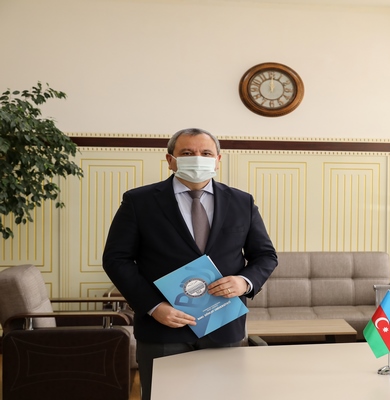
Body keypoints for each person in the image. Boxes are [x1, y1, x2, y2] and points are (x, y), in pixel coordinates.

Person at [103, 128, 278, 399]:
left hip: (223, 325)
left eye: (206, 153)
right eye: (187, 153)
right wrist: (153, 306)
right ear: (170, 160)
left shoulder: (242, 201)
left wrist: (244, 282)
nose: (198, 158)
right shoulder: (139, 201)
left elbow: (265, 255)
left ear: (218, 160)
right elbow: (116, 259)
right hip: (163, 327)